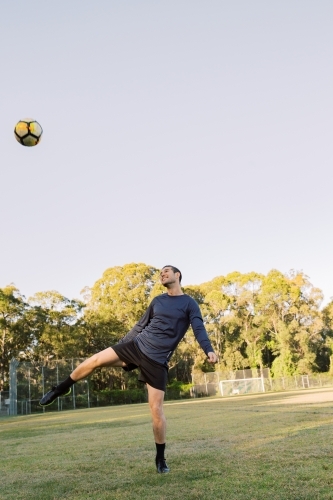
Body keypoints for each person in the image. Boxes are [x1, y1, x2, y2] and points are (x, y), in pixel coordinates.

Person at [39, 265, 218, 473]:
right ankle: (60, 389)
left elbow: (199, 328)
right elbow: (140, 326)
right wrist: (121, 346)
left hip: (157, 361)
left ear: (177, 275)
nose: (162, 274)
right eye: (160, 272)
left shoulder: (189, 303)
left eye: (166, 271)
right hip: (135, 347)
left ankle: (160, 459)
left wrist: (209, 350)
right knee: (95, 360)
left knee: (156, 410)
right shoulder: (157, 301)